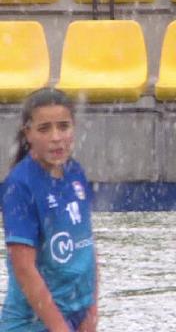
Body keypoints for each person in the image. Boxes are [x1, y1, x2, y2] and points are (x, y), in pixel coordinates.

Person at [2, 88, 99, 331]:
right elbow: (24, 269)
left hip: (78, 315)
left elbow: (87, 248)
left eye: (63, 126)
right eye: (44, 129)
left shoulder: (75, 173)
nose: (56, 137)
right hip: (32, 323)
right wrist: (60, 328)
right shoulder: (20, 185)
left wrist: (91, 312)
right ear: (28, 134)